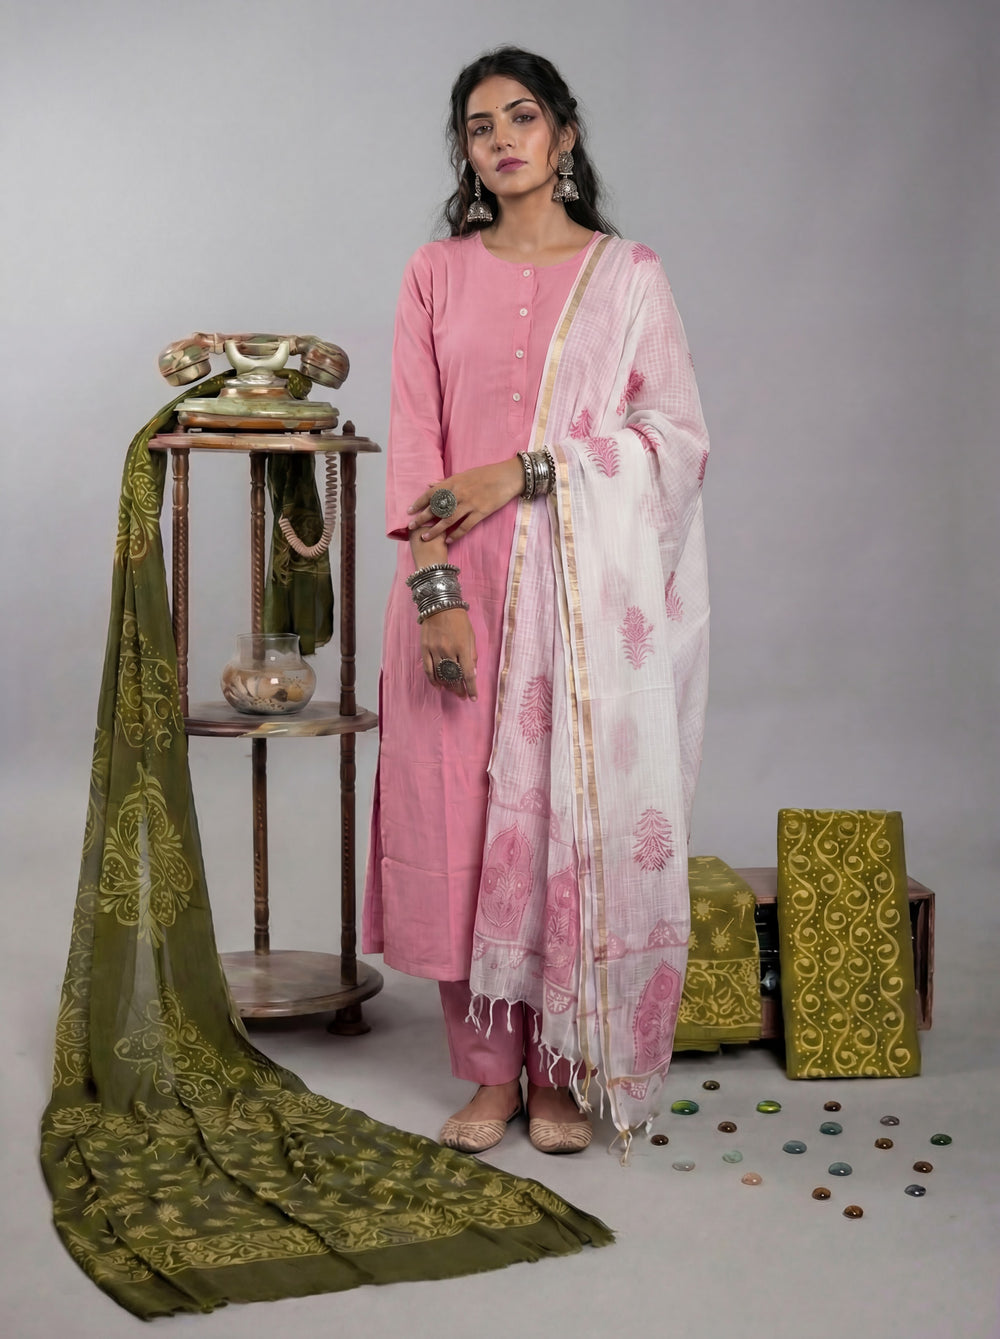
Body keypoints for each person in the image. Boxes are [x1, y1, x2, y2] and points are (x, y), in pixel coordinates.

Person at [363, 46, 709, 1158]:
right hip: (455, 589)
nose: (503, 139)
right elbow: (415, 441)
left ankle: (558, 1069)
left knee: (564, 822)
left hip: (577, 610)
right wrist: (434, 595)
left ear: (563, 133)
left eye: (522, 117)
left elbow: (674, 440)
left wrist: (529, 470)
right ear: (465, 153)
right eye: (480, 127)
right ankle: (485, 1073)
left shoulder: (628, 276)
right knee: (460, 830)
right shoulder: (434, 273)